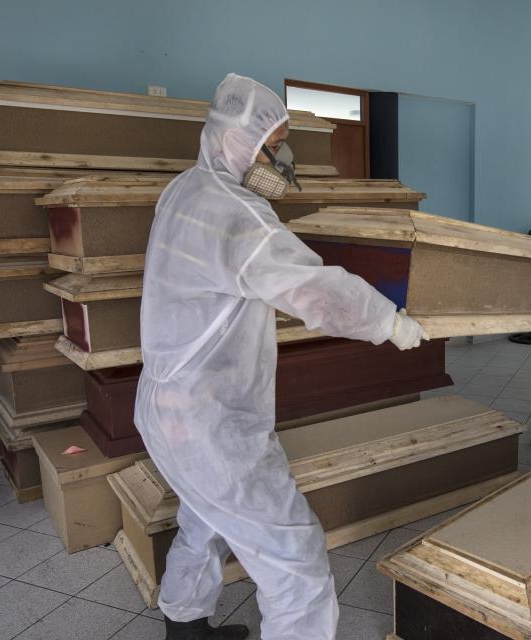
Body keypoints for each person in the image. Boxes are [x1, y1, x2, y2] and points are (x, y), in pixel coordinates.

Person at [134, 74, 427, 640]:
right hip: (211, 422)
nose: (283, 157)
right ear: (236, 142)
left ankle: (185, 628)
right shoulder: (236, 214)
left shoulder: (185, 189)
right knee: (294, 555)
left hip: (166, 406)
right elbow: (310, 289)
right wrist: (386, 322)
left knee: (205, 518)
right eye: (275, 144)